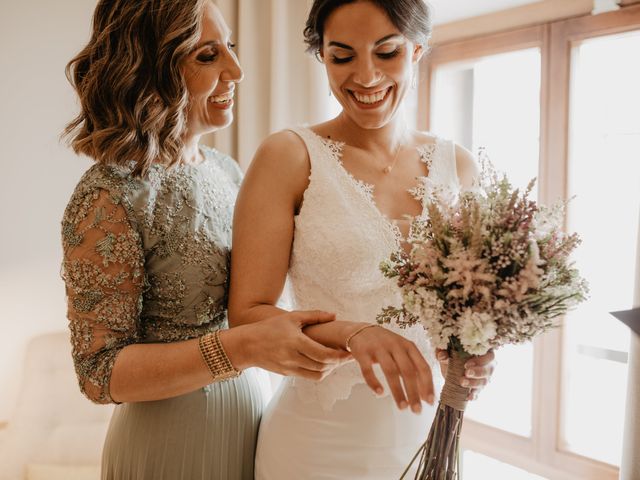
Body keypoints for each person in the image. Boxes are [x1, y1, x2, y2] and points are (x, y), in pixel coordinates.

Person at [60, 1, 349, 479]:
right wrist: (239, 350)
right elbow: (99, 373)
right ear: (152, 68)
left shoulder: (227, 172)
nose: (236, 70)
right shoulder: (107, 196)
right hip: (169, 442)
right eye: (208, 56)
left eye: (231, 48)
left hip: (252, 423)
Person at [228, 0, 496, 478]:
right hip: (317, 442)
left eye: (387, 52)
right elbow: (249, 314)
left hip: (430, 437)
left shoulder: (458, 166)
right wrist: (357, 333)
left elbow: (468, 311)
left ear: (416, 49)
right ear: (323, 58)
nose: (366, 77)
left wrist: (474, 355)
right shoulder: (288, 156)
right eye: (343, 56)